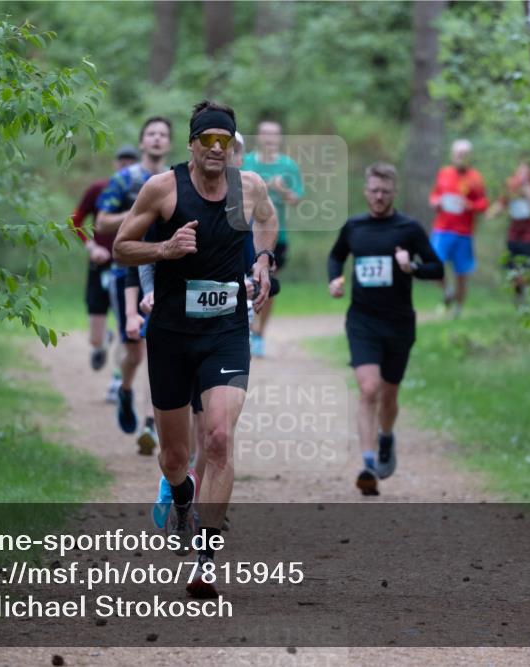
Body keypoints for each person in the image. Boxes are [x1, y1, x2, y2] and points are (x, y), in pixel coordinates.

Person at [114, 101, 277, 597]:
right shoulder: (163, 189)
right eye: (205, 139)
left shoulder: (248, 187)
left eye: (222, 140)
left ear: (231, 146)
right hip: (171, 331)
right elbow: (122, 245)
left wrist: (264, 261)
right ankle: (182, 496)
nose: (214, 148)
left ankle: (205, 559)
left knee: (220, 438)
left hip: (226, 329)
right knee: (174, 457)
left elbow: (267, 222)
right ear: (191, 144)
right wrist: (163, 250)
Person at [328, 163, 443, 496]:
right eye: (374, 191)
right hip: (362, 321)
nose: (379, 197)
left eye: (385, 192)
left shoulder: (409, 228)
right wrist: (334, 279)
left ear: (394, 193)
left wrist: (413, 267)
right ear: (366, 192)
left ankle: (386, 437)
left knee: (389, 395)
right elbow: (336, 257)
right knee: (368, 389)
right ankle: (367, 464)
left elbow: (437, 267)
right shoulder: (354, 227)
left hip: (399, 323)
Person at [96, 118, 172, 453]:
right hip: (126, 272)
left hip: (166, 272)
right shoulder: (123, 179)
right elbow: (101, 221)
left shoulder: (176, 180)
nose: (157, 139)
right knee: (135, 350)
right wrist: (140, 212)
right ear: (142, 143)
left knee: (163, 351)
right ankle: (125, 389)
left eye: (163, 135)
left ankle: (151, 424)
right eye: (151, 134)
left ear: (169, 143)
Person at [70, 146, 139, 403]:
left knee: (125, 328)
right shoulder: (99, 189)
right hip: (100, 266)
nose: (125, 168)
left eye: (131, 164)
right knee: (95, 338)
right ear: (115, 165)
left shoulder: (143, 193)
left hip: (127, 269)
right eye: (122, 163)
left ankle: (117, 382)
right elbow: (74, 220)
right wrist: (91, 246)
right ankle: (102, 341)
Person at [242, 119, 303, 357]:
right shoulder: (246, 162)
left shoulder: (288, 166)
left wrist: (282, 190)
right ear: (258, 136)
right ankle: (244, 329)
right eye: (265, 134)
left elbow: (296, 200)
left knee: (268, 283)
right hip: (244, 233)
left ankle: (259, 333)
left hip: (277, 236)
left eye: (274, 135)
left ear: (279, 139)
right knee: (243, 281)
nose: (269, 139)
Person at [428, 139, 488, 319]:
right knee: (432, 264)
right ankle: (448, 291)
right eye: (457, 154)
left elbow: (483, 204)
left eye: (464, 154)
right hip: (442, 228)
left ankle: (458, 310)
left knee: (461, 273)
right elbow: (434, 195)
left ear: (469, 157)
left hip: (464, 232)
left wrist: (470, 205)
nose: (460, 157)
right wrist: (435, 202)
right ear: (452, 155)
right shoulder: (444, 173)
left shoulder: (476, 178)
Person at [489, 161, 530, 301]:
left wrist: (526, 189)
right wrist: (491, 213)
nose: (522, 175)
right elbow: (501, 203)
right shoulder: (511, 185)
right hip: (514, 233)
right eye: (520, 171)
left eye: (526, 172)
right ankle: (519, 297)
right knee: (513, 268)